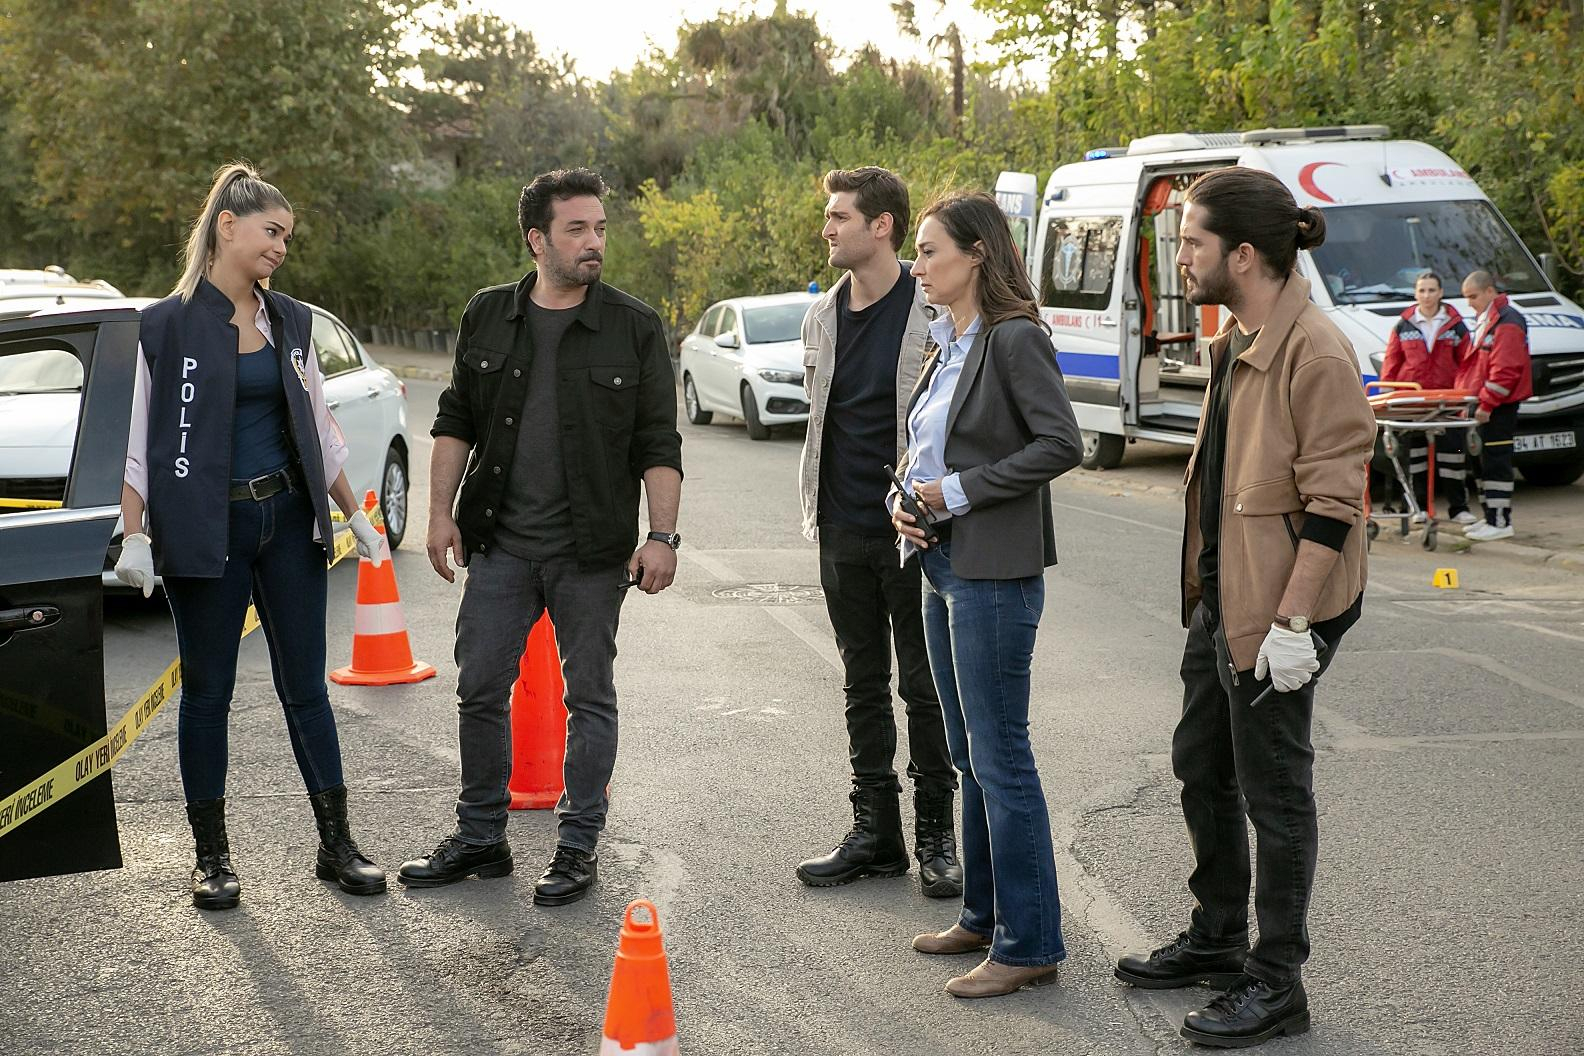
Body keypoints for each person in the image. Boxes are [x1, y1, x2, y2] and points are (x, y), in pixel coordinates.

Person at [1112, 168, 1374, 1048]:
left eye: (1192, 241)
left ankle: (1276, 980)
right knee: (1201, 764)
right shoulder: (1235, 341)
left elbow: (1336, 504)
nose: (1181, 256)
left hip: (1281, 615)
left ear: (1246, 254)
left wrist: (1294, 627)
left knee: (1276, 793)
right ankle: (1219, 936)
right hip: (1225, 601)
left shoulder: (1315, 352)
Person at [400, 168, 683, 907]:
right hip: (500, 543)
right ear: (537, 239)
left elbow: (659, 440)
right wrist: (438, 513)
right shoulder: (489, 313)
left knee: (589, 698)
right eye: (576, 229)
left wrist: (663, 536)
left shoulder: (634, 325)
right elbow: (456, 419)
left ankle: (577, 846)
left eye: (600, 228)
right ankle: (481, 837)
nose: (594, 242)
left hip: (591, 552)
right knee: (479, 689)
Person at [115, 162, 389, 910]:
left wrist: (353, 515)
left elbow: (319, 426)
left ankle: (337, 844)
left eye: (288, 237)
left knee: (307, 687)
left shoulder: (291, 320)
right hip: (207, 529)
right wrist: (133, 534)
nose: (281, 248)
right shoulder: (163, 326)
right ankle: (211, 858)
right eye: (272, 232)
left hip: (288, 522)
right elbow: (137, 441)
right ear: (227, 226)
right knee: (209, 693)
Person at [893, 191, 1083, 999]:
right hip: (939, 564)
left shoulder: (1014, 338)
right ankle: (982, 916)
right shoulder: (947, 343)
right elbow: (925, 453)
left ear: (976, 254)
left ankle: (1029, 944)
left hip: (994, 574)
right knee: (969, 754)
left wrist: (957, 492)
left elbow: (1061, 443)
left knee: (1001, 757)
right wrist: (907, 502)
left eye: (930, 250)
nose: (918, 266)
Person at [795, 167, 961, 899]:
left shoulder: (933, 309)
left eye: (839, 217)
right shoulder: (822, 316)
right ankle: (875, 834)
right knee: (861, 684)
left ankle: (936, 837)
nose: (827, 228)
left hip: (914, 530)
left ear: (881, 225)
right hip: (839, 525)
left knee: (924, 687)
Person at [1380, 271, 1475, 524]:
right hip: (1414, 403)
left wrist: (1465, 395)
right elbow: (1391, 362)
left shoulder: (1455, 325)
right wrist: (1387, 399)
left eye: (1432, 290)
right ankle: (1418, 508)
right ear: (1415, 294)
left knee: (1454, 453)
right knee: (1416, 456)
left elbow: (1467, 363)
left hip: (1447, 401)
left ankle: (1459, 508)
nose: (1427, 295)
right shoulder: (1403, 325)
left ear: (1441, 293)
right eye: (1422, 290)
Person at [1459, 270, 1532, 541]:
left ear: (1490, 291)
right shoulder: (1489, 319)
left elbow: (1505, 371)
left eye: (1473, 296)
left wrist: (1487, 404)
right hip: (1486, 403)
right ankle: (1491, 516)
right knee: (1483, 462)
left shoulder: (1507, 321)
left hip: (1498, 407)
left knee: (1496, 462)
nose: (1469, 303)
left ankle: (1500, 521)